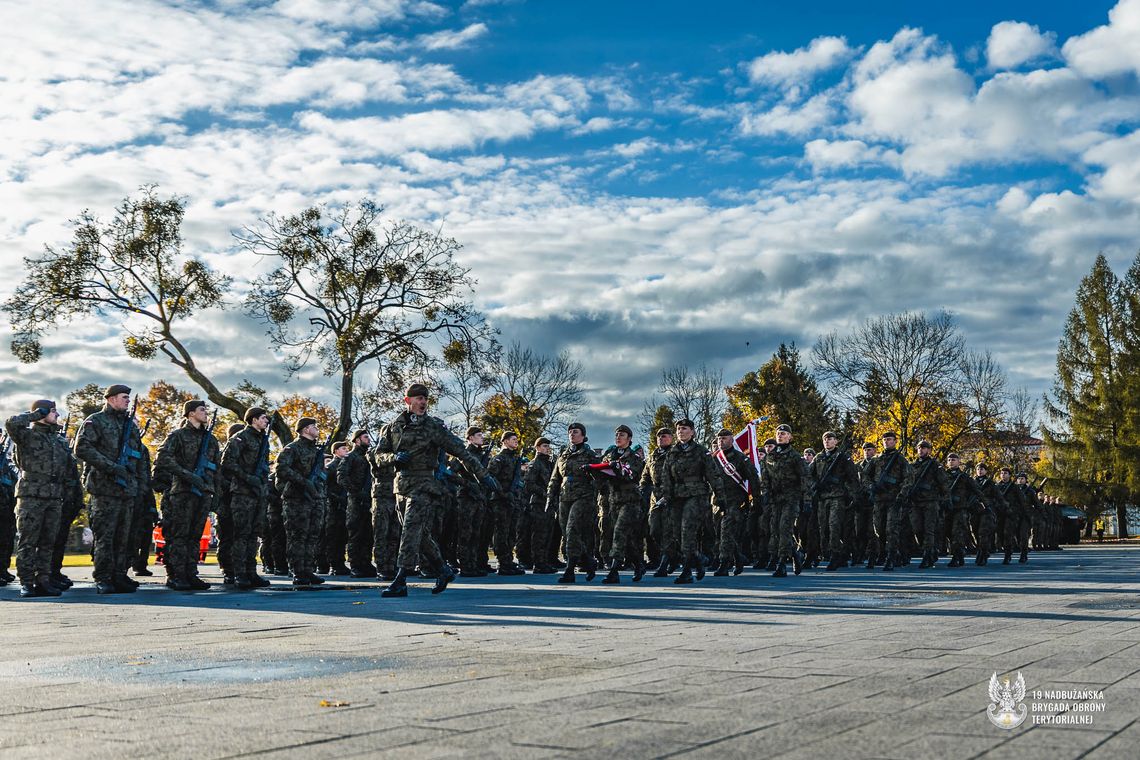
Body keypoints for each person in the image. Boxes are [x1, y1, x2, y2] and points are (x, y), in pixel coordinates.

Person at [372, 384, 497, 598]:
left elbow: (461, 452)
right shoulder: (392, 427)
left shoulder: (433, 427)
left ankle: (401, 579)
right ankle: (443, 569)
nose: (423, 403)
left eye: (425, 399)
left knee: (410, 530)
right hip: (401, 485)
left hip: (424, 485)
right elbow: (378, 455)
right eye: (419, 398)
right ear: (407, 400)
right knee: (419, 534)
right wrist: (393, 458)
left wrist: (483, 476)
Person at [74, 384, 147, 594]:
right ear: (111, 399)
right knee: (105, 536)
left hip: (127, 490)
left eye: (128, 398)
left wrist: (137, 483)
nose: (127, 401)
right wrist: (112, 467)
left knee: (123, 536)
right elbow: (82, 448)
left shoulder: (129, 426)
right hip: (105, 488)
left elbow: (138, 455)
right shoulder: (95, 421)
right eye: (124, 397)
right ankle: (103, 577)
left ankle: (119, 574)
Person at [5, 399, 76, 597]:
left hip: (54, 496)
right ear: (42, 412)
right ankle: (26, 582)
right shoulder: (27, 435)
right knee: (28, 540)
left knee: (48, 541)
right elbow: (11, 423)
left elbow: (68, 469)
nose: (57, 415)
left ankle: (43, 579)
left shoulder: (59, 440)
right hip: (31, 494)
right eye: (53, 411)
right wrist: (36, 414)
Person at [154, 400, 221, 591]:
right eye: (202, 410)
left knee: (195, 536)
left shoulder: (211, 440)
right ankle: (176, 575)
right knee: (178, 535)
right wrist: (187, 475)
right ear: (190, 414)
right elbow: (163, 458)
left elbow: (217, 468)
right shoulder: (178, 436)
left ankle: (191, 573)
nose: (205, 413)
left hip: (204, 492)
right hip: (182, 492)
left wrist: (215, 493)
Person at [659, 419, 727, 585]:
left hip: (696, 496)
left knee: (687, 531)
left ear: (692, 432)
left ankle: (687, 571)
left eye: (684, 429)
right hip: (677, 497)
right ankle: (698, 558)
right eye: (679, 429)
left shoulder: (701, 452)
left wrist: (720, 497)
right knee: (677, 534)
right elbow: (666, 477)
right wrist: (666, 497)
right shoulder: (672, 453)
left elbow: (714, 476)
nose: (681, 432)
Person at [219, 407, 273, 589]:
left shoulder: (263, 440)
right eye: (263, 418)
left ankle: (251, 571)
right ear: (253, 419)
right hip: (242, 492)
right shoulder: (240, 438)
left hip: (258, 492)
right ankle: (239, 573)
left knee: (253, 534)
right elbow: (227, 462)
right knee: (241, 534)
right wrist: (247, 477)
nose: (266, 421)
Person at [273, 417, 328, 587]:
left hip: (315, 497)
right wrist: (303, 482)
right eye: (313, 426)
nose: (317, 429)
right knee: (298, 536)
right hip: (297, 498)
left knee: (312, 536)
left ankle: (308, 570)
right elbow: (281, 468)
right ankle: (298, 572)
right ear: (305, 429)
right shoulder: (292, 448)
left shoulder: (316, 450)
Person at [548, 422, 600, 584]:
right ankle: (589, 561)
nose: (572, 434)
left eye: (576, 432)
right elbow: (555, 477)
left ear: (583, 436)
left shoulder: (590, 454)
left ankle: (570, 570)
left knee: (572, 531)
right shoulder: (563, 454)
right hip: (564, 497)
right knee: (567, 533)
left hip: (583, 497)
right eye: (570, 431)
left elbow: (599, 478)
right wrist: (550, 496)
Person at [598, 425, 647, 584]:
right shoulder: (609, 455)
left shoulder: (634, 458)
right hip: (613, 500)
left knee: (619, 532)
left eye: (622, 435)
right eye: (617, 435)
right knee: (627, 536)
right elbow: (601, 473)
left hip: (630, 501)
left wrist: (618, 469)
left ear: (629, 439)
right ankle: (639, 563)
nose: (618, 437)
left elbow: (632, 476)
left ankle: (614, 571)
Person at [711, 428, 760, 576]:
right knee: (721, 534)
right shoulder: (714, 458)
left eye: (724, 438)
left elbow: (753, 479)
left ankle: (724, 564)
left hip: (735, 501)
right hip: (717, 502)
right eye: (719, 439)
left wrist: (756, 501)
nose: (721, 441)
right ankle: (738, 557)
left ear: (732, 440)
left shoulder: (740, 458)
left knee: (726, 531)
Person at [809, 432, 860, 571]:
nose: (827, 441)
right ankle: (830, 552)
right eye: (825, 438)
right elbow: (809, 474)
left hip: (838, 496)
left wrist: (854, 496)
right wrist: (815, 485)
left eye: (830, 439)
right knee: (823, 527)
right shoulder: (818, 457)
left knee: (834, 526)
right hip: (822, 497)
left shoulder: (843, 457)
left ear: (836, 441)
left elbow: (853, 477)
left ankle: (835, 555)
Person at [896, 440, 948, 570]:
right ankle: (930, 549)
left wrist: (944, 500)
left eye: (924, 448)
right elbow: (907, 481)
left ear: (929, 450)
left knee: (928, 529)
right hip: (915, 502)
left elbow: (944, 484)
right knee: (917, 529)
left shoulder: (935, 466)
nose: (921, 450)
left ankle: (927, 555)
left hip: (931, 501)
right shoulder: (912, 466)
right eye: (919, 448)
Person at [764, 425, 804, 578]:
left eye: (784, 434)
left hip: (791, 498)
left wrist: (805, 500)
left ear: (790, 437)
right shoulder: (771, 456)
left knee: (784, 528)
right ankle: (795, 553)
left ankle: (781, 564)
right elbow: (766, 477)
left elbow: (804, 478)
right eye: (778, 433)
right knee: (775, 530)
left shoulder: (795, 456)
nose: (780, 436)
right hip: (776, 499)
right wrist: (765, 493)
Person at [488, 431, 526, 575]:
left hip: (512, 500)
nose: (516, 442)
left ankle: (508, 560)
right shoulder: (499, 459)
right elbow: (490, 476)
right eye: (513, 439)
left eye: (517, 439)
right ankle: (502, 562)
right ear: (505, 441)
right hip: (501, 499)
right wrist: (502, 493)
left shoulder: (514, 459)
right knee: (501, 531)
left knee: (511, 531)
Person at [641, 428, 678, 577]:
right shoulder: (652, 456)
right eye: (659, 437)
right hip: (655, 499)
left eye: (664, 436)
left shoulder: (676, 454)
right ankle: (673, 556)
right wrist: (643, 488)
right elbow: (645, 476)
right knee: (654, 530)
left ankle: (664, 563)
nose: (661, 439)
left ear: (671, 438)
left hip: (671, 497)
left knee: (668, 531)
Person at [339, 430, 375, 577]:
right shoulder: (350, 457)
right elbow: (341, 477)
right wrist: (356, 492)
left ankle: (366, 563)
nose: (369, 439)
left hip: (369, 500)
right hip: (355, 501)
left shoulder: (370, 456)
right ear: (357, 440)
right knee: (356, 534)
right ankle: (355, 565)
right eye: (365, 437)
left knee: (368, 534)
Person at [524, 437, 556, 574]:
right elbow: (529, 484)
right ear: (537, 448)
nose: (547, 448)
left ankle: (544, 561)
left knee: (548, 533)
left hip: (548, 504)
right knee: (539, 534)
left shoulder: (548, 464)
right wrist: (544, 493)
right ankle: (538, 563)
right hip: (538, 503)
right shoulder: (535, 463)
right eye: (544, 446)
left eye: (548, 446)